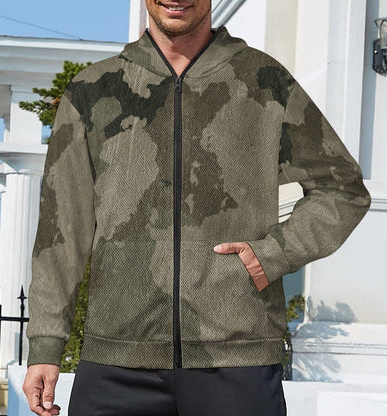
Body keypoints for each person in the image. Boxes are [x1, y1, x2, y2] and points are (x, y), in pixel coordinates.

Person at [22, 1, 371, 415]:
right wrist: (45, 344)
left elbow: (343, 189)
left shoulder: (265, 81)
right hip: (116, 363)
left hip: (237, 361)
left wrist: (273, 254)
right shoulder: (92, 90)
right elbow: (62, 227)